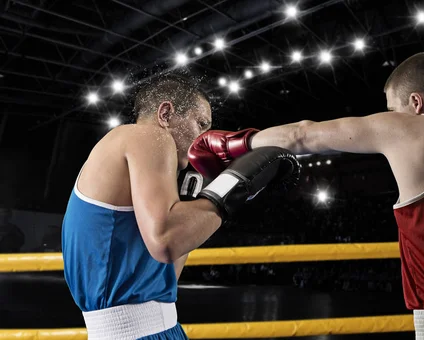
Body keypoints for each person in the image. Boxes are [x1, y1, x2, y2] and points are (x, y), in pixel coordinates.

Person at [189, 52, 424, 339]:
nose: (391, 118)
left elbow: (302, 135)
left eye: (392, 109)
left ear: (415, 102)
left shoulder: (414, 127)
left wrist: (232, 143)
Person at [61, 72, 300, 340]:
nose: (204, 139)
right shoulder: (147, 136)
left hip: (157, 328)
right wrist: (234, 187)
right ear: (166, 114)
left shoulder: (130, 169)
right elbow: (166, 241)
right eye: (201, 124)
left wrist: (194, 202)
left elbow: (167, 278)